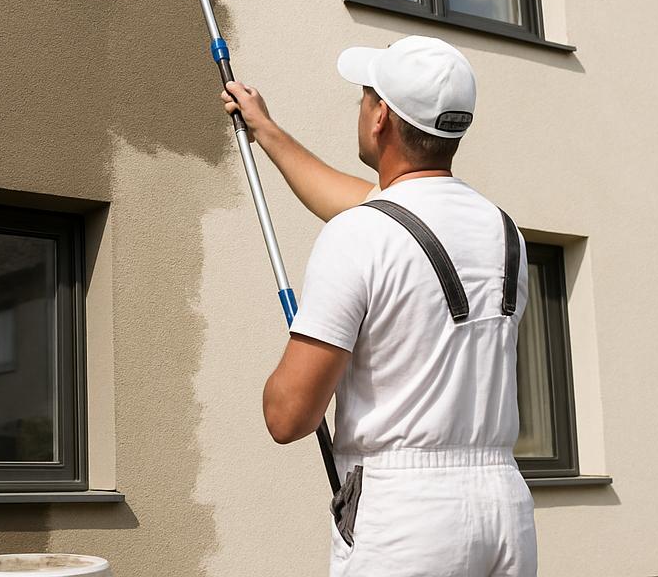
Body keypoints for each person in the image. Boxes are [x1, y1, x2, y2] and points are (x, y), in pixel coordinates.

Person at [221, 35, 537, 577]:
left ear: (380, 118)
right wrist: (267, 132)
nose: (362, 105)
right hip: (505, 509)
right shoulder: (501, 231)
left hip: (406, 517)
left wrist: (293, 354)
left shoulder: (360, 235)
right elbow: (385, 212)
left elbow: (288, 416)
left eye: (366, 96)